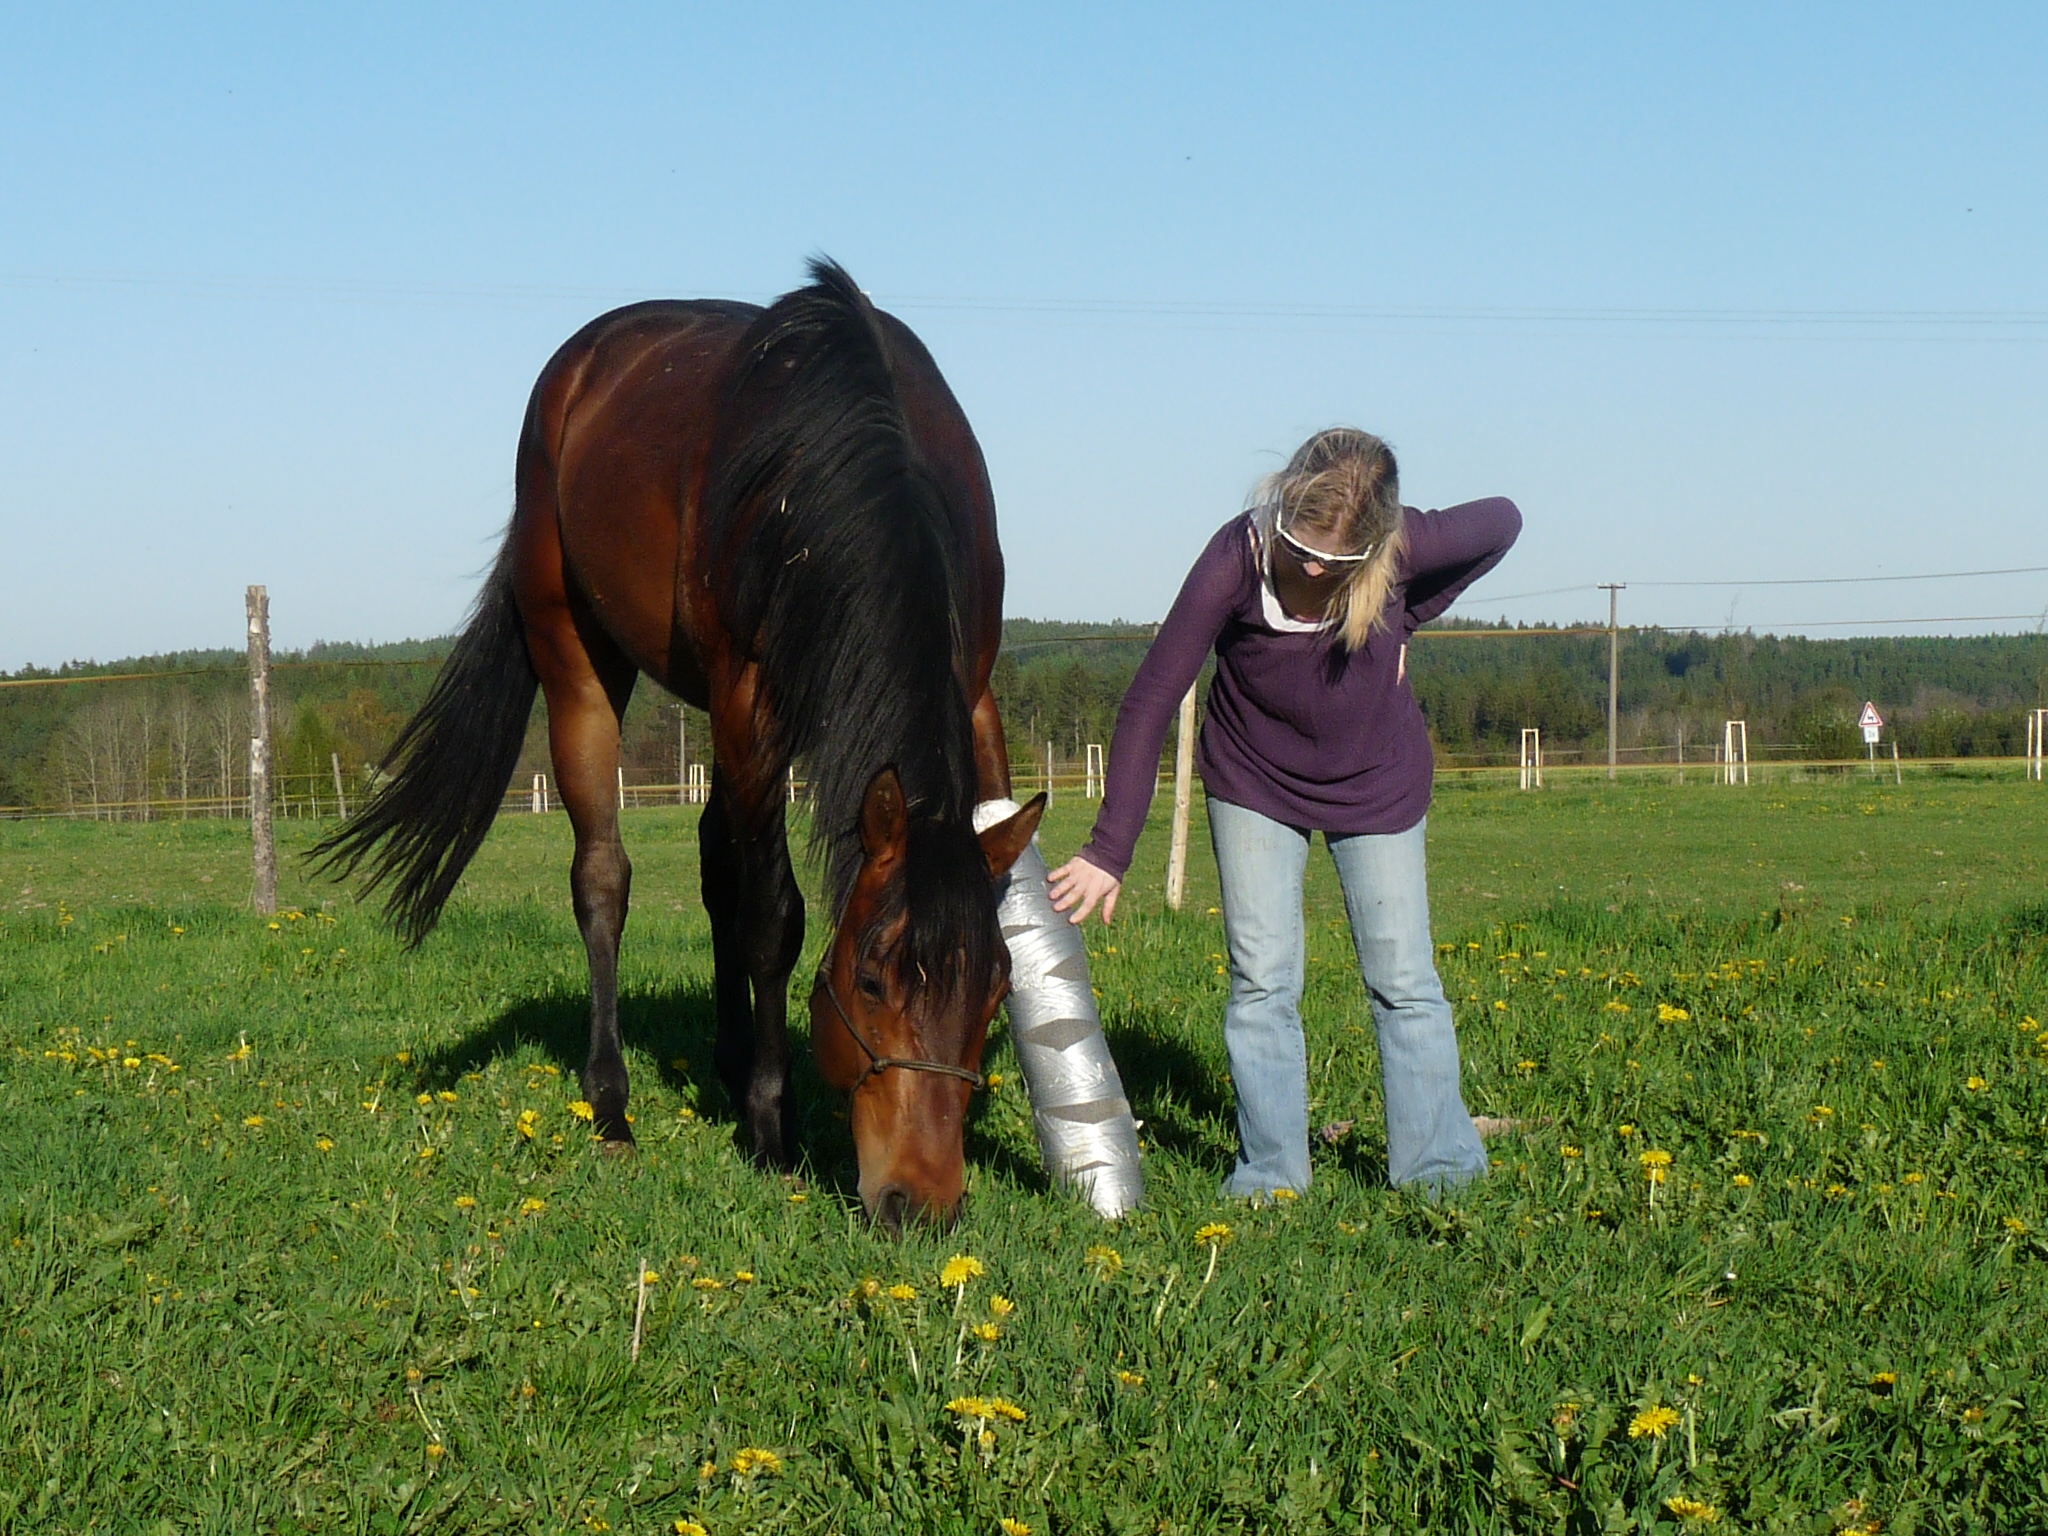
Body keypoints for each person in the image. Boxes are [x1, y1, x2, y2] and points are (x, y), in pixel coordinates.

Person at [1049, 428, 1520, 1198]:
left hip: (1378, 782)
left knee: (1404, 979)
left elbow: (1503, 520)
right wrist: (1109, 850)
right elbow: (1151, 698)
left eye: (1335, 562)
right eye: (1301, 544)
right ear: (1282, 506)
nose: (1311, 566)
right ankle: (1271, 1175)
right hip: (1255, 780)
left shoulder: (1401, 548)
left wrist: (1409, 615)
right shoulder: (1235, 557)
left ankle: (1439, 1172)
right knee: (1262, 982)